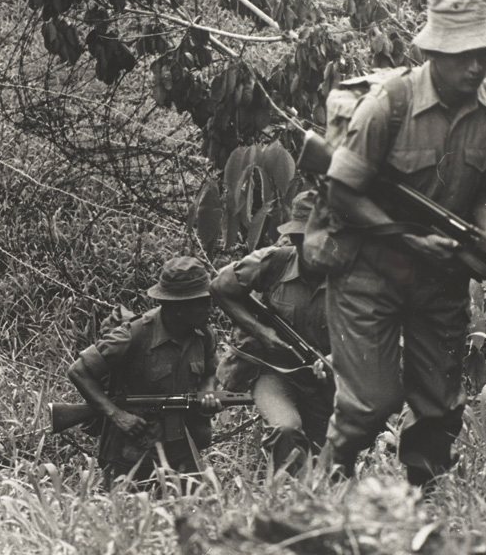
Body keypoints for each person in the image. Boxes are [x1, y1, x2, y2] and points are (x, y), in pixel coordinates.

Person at [322, 0, 486, 487]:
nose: (477, 66)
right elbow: (342, 195)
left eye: (484, 52)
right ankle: (325, 490)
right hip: (368, 272)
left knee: (440, 409)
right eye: (464, 54)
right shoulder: (388, 106)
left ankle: (428, 506)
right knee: (369, 405)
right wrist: (407, 240)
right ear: (434, 50)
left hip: (440, 275)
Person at [67, 256, 221, 487]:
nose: (210, 308)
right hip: (131, 449)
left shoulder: (204, 335)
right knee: (126, 513)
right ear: (179, 306)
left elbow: (210, 370)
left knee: (197, 508)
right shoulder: (132, 336)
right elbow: (78, 371)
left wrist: (208, 393)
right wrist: (117, 415)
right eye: (203, 302)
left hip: (181, 446)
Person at [211, 190, 333, 475]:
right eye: (300, 238)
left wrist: (335, 357)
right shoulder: (275, 262)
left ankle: (313, 500)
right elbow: (219, 286)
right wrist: (262, 332)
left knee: (328, 453)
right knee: (285, 428)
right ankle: (297, 499)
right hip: (274, 372)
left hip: (326, 380)